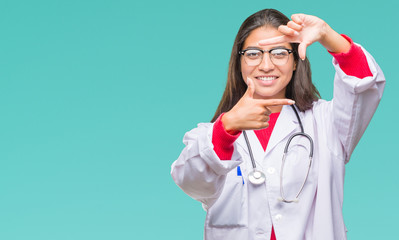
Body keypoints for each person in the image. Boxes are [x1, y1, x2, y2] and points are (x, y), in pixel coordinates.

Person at [171, 9, 385, 240]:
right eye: (253, 53)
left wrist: (326, 34)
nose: (266, 65)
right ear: (239, 62)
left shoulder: (326, 123)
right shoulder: (211, 136)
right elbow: (191, 182)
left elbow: (362, 85)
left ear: (295, 61)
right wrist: (227, 128)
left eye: (279, 53)